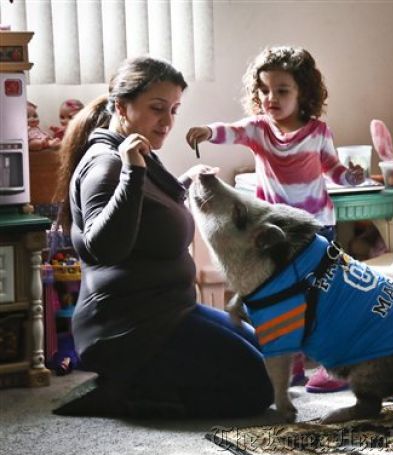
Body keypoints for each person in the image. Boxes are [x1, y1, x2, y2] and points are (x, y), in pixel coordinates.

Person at [53, 56, 273, 418]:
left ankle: (138, 382)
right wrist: (131, 174)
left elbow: (149, 212)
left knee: (271, 358)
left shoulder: (138, 152)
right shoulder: (107, 165)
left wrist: (186, 180)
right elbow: (103, 248)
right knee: (257, 390)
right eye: (157, 108)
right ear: (121, 106)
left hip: (171, 309)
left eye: (173, 109)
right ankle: (129, 391)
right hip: (130, 329)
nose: (168, 122)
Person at [185, 45, 363, 393]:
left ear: (303, 93)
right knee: (281, 298)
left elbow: (334, 169)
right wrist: (207, 131)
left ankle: (332, 364)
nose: (271, 98)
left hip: (316, 228)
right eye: (264, 90)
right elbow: (231, 131)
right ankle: (292, 364)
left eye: (282, 90)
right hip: (274, 231)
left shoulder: (317, 132)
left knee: (320, 298)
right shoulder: (259, 130)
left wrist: (352, 177)